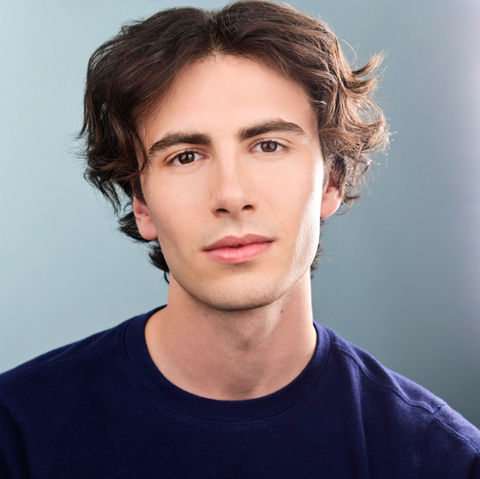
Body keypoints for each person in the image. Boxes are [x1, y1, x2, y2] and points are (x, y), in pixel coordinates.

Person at [1, 1, 479, 477]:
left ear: (331, 181)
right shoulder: (17, 435)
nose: (231, 195)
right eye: (186, 156)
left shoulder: (441, 458)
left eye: (268, 146)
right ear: (140, 202)